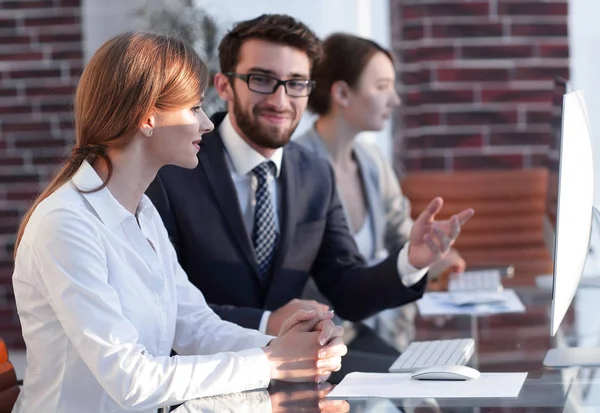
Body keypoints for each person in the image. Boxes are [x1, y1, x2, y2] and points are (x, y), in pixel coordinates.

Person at [11, 32, 346, 413]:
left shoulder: (143, 214)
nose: (207, 124)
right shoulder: (66, 225)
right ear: (147, 117)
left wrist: (287, 346)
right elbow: (132, 380)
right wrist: (272, 362)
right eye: (194, 108)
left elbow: (196, 327)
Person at [146, 14, 473, 378]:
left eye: (296, 83)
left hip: (302, 374)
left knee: (436, 385)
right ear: (224, 86)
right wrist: (267, 322)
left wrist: (410, 261)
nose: (280, 100)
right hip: (207, 377)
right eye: (262, 80)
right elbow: (164, 307)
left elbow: (348, 289)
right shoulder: (173, 169)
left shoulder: (315, 173)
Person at [295, 33, 466, 351]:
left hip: (385, 335)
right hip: (323, 344)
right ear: (343, 93)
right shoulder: (295, 167)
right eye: (382, 86)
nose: (395, 99)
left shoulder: (372, 160)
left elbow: (401, 234)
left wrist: (437, 254)